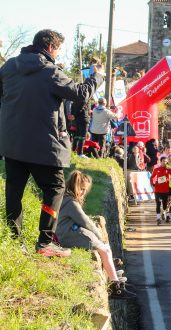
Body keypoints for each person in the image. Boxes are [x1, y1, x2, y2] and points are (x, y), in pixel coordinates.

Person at [1, 29, 103, 257]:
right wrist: (97, 76)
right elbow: (81, 94)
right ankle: (45, 242)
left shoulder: (8, 67)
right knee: (55, 188)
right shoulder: (51, 72)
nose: (57, 55)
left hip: (12, 144)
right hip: (44, 147)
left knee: (14, 190)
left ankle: (15, 241)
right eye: (58, 50)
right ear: (50, 47)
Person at [55, 171, 133, 299]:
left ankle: (112, 274)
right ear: (76, 187)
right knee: (104, 249)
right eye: (83, 189)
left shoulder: (67, 199)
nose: (84, 192)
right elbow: (85, 221)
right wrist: (99, 236)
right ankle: (115, 287)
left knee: (105, 249)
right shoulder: (71, 203)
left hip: (68, 231)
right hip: (66, 235)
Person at [150, 154, 171, 225]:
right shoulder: (157, 169)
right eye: (163, 161)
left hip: (165, 190)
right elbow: (152, 177)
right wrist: (153, 183)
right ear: (160, 161)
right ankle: (158, 218)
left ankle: (166, 215)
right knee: (158, 203)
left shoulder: (168, 169)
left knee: (165, 205)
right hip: (157, 189)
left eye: (166, 161)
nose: (164, 162)